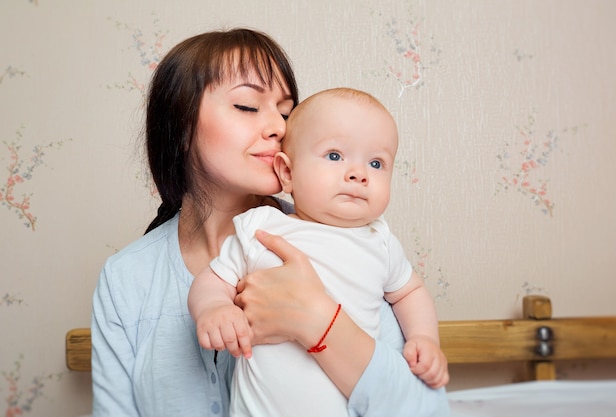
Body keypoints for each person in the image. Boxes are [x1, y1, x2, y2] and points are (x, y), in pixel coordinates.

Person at [91, 28, 450, 417]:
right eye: (247, 106)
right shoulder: (126, 278)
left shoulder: (342, 239)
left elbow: (426, 408)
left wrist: (318, 320)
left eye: (285, 112)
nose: (279, 127)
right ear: (181, 127)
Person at [188, 87, 449, 417]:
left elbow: (410, 291)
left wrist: (425, 339)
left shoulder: (379, 240)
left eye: (376, 162)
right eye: (335, 156)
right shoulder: (263, 228)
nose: (359, 174)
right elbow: (212, 280)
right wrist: (213, 308)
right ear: (287, 172)